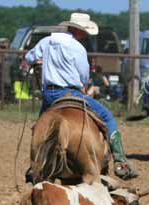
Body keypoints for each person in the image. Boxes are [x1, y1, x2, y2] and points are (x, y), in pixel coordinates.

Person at [24, 13, 138, 180]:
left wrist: (40, 61)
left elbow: (29, 58)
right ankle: (120, 161)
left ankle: (36, 165)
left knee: (40, 126)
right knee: (107, 116)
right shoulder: (77, 48)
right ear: (79, 31)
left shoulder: (46, 41)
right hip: (71, 92)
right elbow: (84, 76)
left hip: (49, 95)